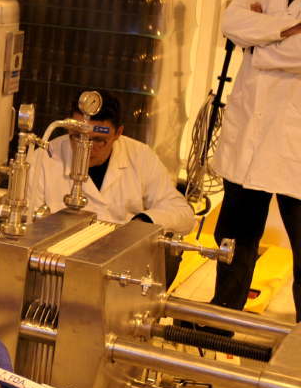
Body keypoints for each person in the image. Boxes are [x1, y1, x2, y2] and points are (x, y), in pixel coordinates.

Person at [211, 0, 301, 320]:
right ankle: (221, 319)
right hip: (249, 135)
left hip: (293, 143)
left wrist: (256, 43)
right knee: (233, 238)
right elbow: (231, 22)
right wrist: (288, 28)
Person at [27, 91, 195, 281]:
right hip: (62, 265)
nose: (85, 147)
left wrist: (143, 223)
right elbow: (28, 225)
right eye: (77, 136)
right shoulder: (44, 158)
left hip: (126, 264)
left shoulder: (139, 156)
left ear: (118, 133)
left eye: (98, 140)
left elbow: (184, 215)